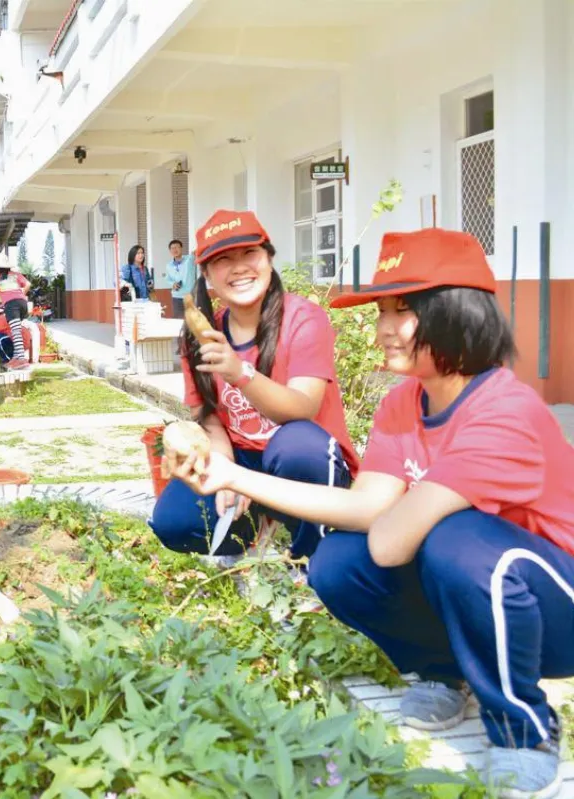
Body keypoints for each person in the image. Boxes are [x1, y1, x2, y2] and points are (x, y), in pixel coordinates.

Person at [162, 227, 574, 798]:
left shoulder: (504, 411)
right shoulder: (406, 401)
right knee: (335, 562)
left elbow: (389, 542)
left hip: (556, 610)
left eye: (403, 311)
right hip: (484, 590)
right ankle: (442, 670)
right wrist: (232, 476)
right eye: (382, 309)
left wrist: (393, 513)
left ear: (459, 314)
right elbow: (365, 507)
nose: (383, 328)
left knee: (451, 540)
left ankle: (523, 729)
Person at [148, 210, 357, 561]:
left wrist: (239, 373)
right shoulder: (199, 335)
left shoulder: (304, 318)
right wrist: (227, 471)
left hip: (300, 456)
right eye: (223, 260)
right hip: (243, 456)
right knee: (175, 522)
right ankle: (253, 533)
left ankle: (312, 558)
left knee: (297, 446)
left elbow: (303, 408)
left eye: (249, 254)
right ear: (207, 275)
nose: (239, 267)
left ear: (269, 258)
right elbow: (210, 417)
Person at [0, 252, 31, 369]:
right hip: (23, 304)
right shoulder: (15, 274)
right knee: (15, 330)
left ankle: (21, 359)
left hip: (11, 306)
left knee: (16, 332)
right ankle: (15, 357)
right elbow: (28, 284)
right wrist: (21, 295)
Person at [166, 239, 196, 320]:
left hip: (190, 296)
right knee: (178, 320)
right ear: (170, 251)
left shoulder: (190, 259)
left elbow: (197, 251)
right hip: (177, 297)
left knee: (192, 320)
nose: (175, 250)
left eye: (177, 247)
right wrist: (173, 284)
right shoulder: (169, 265)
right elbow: (168, 279)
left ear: (181, 248)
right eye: (172, 248)